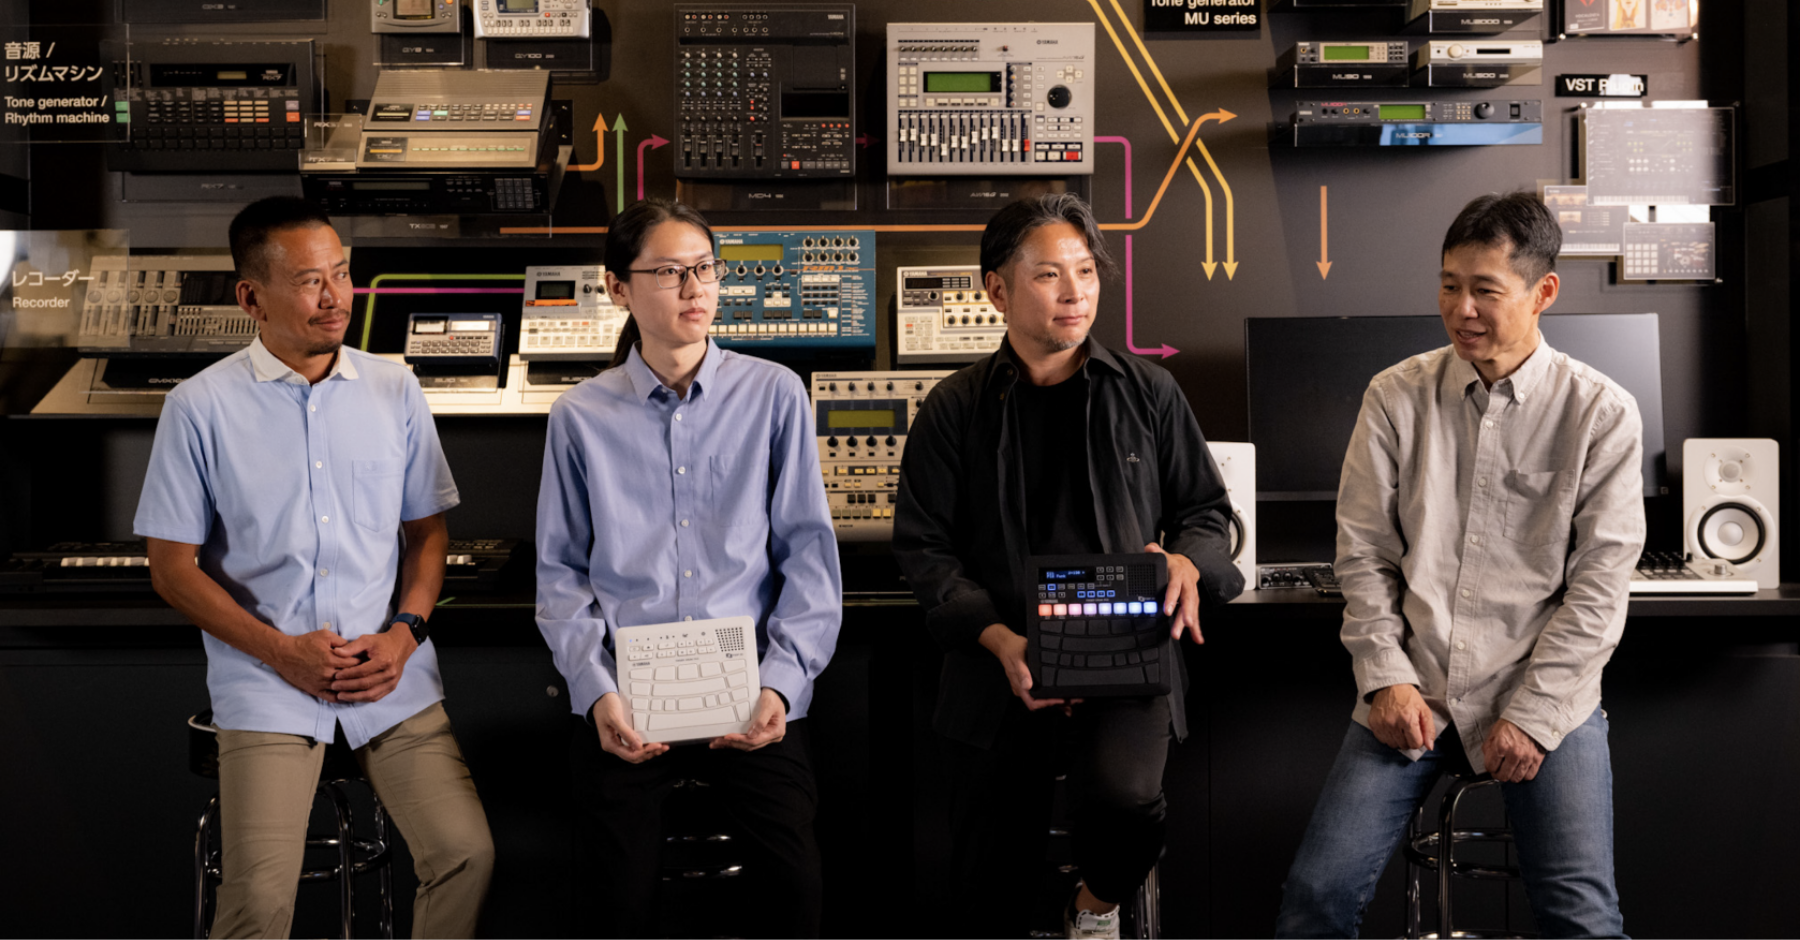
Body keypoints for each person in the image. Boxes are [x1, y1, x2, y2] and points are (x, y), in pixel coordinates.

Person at [1273, 191, 1645, 940]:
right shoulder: (1395, 395)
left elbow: (1600, 589)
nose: (1461, 309)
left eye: (1485, 290)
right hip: (1417, 691)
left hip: (1543, 698)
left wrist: (1533, 717)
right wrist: (1386, 677)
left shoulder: (1600, 412)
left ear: (1543, 292)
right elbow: (1364, 554)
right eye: (1449, 285)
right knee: (1315, 899)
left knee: (1583, 918)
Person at [135, 196, 494, 939]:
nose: (335, 297)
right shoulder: (198, 408)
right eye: (309, 281)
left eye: (341, 274)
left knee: (466, 854)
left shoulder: (394, 389)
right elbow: (170, 569)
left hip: (387, 678)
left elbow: (428, 535)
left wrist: (403, 635)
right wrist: (281, 652)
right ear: (251, 298)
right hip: (269, 686)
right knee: (261, 903)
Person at [892, 193, 1245, 940]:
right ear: (997, 290)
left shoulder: (1148, 391)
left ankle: (1095, 905)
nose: (1075, 291)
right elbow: (926, 549)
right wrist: (1000, 641)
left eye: (1085, 271)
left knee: (1126, 804)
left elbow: (1208, 513)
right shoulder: (953, 408)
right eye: (1049, 274)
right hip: (1002, 659)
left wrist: (1189, 560)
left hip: (1125, 653)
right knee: (988, 865)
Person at [535, 198, 841, 940]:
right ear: (618, 288)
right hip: (629, 702)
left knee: (797, 889)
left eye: (705, 269)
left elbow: (808, 555)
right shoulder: (579, 416)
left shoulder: (773, 393)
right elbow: (560, 574)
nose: (695, 289)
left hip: (750, 696)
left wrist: (782, 684)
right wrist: (597, 692)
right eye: (670, 272)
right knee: (613, 905)